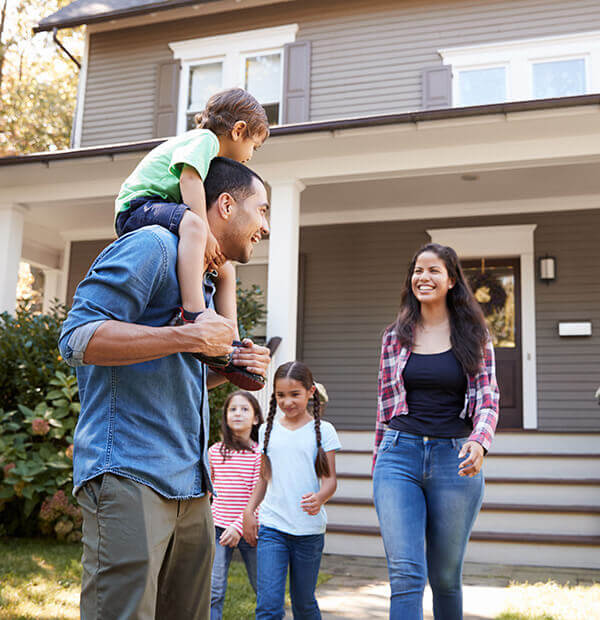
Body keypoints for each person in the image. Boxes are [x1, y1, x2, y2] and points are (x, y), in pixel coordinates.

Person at [58, 157, 271, 620]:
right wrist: (186, 336)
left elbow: (178, 370)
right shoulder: (152, 245)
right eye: (263, 210)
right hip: (131, 474)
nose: (266, 226)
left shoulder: (204, 279)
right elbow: (76, 338)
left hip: (193, 487)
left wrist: (232, 367)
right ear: (228, 205)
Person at [372, 243, 500, 620]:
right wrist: (379, 463)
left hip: (454, 460)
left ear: (451, 280)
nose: (423, 277)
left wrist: (480, 442)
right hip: (399, 456)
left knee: (445, 578)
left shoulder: (474, 336)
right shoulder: (394, 336)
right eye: (417, 270)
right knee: (406, 574)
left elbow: (488, 398)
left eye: (432, 271)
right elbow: (383, 409)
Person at [115, 88, 269, 387]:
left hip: (156, 207)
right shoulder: (204, 140)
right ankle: (194, 313)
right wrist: (204, 229)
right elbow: (189, 180)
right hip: (138, 205)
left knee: (224, 268)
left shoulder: (206, 151)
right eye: (254, 146)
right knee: (194, 226)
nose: (250, 156)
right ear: (238, 131)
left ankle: (233, 349)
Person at [243, 361, 341, 620]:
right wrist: (249, 511)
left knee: (303, 603)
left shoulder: (324, 431)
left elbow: (330, 481)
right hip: (273, 527)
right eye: (281, 395)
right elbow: (264, 479)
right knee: (268, 605)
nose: (287, 401)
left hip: (308, 531)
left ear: (310, 392)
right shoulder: (266, 430)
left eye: (295, 394)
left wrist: (320, 498)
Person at [209, 391, 263, 619]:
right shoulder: (214, 452)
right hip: (217, 529)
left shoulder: (259, 455)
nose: (238, 414)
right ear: (226, 416)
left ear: (256, 418)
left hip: (250, 529)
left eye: (244, 409)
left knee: (264, 588)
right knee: (213, 590)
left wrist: (238, 527)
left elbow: (260, 498)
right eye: (233, 409)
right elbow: (208, 493)